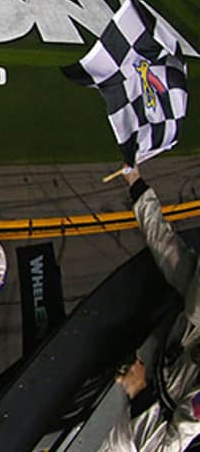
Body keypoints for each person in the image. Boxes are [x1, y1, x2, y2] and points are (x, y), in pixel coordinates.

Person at [99, 165, 200, 451]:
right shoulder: (194, 290)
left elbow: (165, 448)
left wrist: (139, 391)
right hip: (146, 377)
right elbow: (164, 246)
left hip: (142, 433)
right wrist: (135, 180)